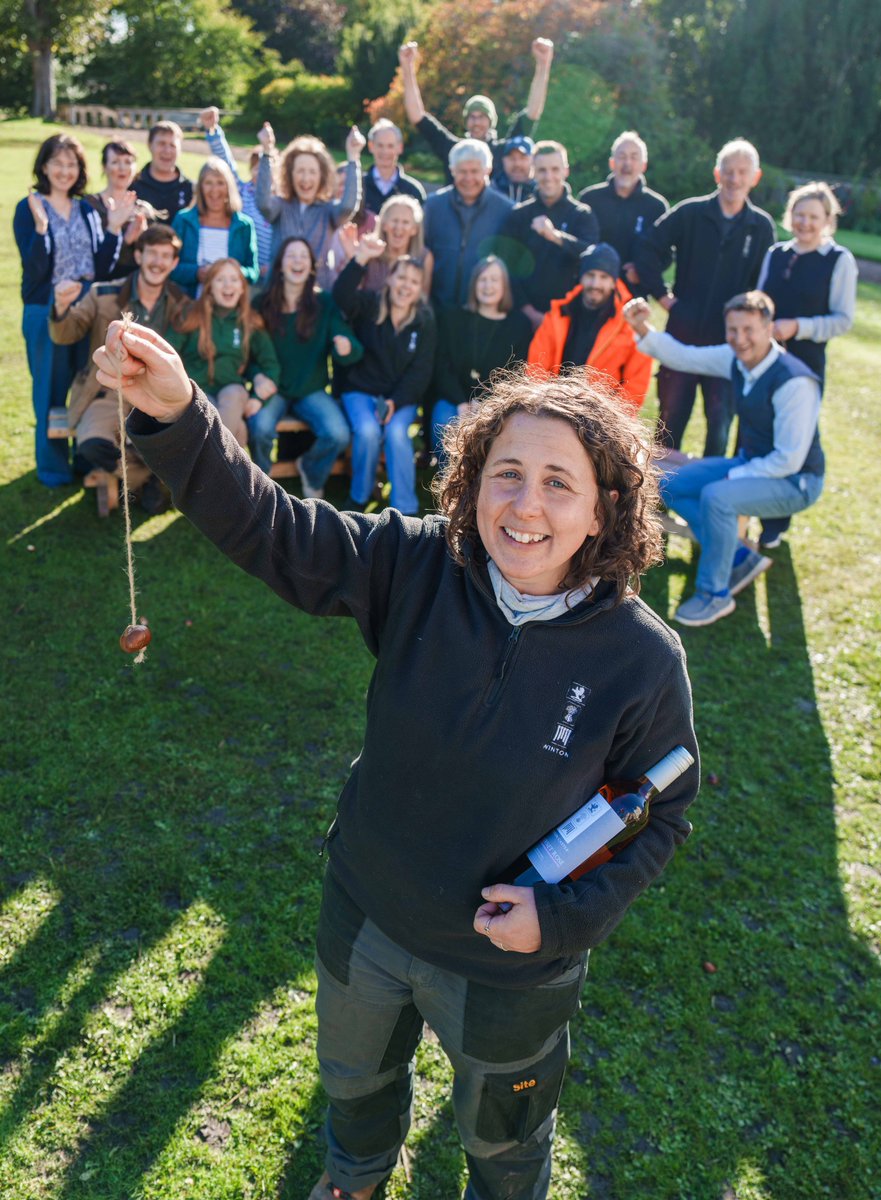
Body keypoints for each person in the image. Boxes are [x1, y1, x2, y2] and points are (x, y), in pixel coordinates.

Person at [95, 323, 699, 1200]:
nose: (525, 506)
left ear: (603, 509)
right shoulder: (420, 564)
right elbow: (274, 528)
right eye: (506, 473)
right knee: (354, 1084)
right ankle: (357, 1175)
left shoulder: (643, 659)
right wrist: (181, 413)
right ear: (471, 483)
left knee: (504, 1139)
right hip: (367, 915)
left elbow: (665, 813)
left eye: (557, 483)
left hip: (510, 970)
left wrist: (561, 921)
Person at [624, 290, 825, 626]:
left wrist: (730, 479)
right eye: (733, 330)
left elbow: (789, 460)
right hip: (753, 464)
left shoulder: (795, 381)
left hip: (796, 480)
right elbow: (685, 356)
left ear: (768, 328)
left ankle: (714, 594)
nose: (740, 338)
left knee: (717, 497)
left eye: (749, 330)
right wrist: (643, 329)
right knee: (670, 483)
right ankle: (738, 556)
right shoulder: (735, 357)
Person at [633, 138, 775, 457]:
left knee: (721, 422)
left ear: (755, 177)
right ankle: (660, 499)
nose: (734, 179)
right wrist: (664, 298)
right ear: (716, 173)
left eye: (742, 172)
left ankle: (709, 499)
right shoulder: (690, 213)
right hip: (683, 329)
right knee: (670, 418)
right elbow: (648, 249)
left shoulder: (761, 227)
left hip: (730, 341)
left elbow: (762, 286)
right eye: (728, 171)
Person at [48, 223, 186, 513]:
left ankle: (142, 480)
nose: (157, 262)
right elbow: (65, 334)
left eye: (165, 256)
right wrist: (61, 307)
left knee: (167, 442)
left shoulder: (183, 303)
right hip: (108, 390)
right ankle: (145, 480)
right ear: (138, 255)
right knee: (92, 445)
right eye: (151, 254)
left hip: (154, 395)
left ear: (174, 263)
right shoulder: (103, 294)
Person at [14, 132, 123, 486]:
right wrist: (43, 229)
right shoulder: (29, 207)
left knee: (86, 384)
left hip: (89, 309)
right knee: (49, 388)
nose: (64, 170)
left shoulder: (87, 208)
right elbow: (35, 269)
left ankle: (84, 458)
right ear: (44, 166)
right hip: (46, 308)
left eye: (71, 163)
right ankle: (53, 469)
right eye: (57, 162)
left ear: (80, 169)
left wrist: (116, 230)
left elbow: (102, 266)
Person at [754, 180, 858, 548]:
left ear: (827, 220)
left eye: (813, 216)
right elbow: (760, 301)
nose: (805, 222)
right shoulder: (777, 253)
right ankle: (745, 505)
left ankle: (775, 521)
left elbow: (842, 319)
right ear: (790, 216)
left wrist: (799, 326)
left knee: (792, 437)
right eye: (799, 214)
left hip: (805, 364)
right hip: (764, 359)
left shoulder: (838, 260)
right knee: (756, 430)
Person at [249, 237, 360, 491]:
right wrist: (256, 376)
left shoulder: (324, 303)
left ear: (311, 266)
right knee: (260, 428)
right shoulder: (261, 304)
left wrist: (346, 346)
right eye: (291, 255)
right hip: (274, 388)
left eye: (303, 256)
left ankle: (311, 469)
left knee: (338, 434)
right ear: (279, 266)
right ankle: (260, 486)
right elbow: (247, 356)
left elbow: (353, 349)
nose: (297, 261)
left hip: (311, 390)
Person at [332, 246, 435, 515]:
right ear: (389, 278)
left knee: (398, 434)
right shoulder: (369, 305)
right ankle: (359, 497)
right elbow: (341, 296)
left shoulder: (424, 321)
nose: (406, 286)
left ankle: (406, 510)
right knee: (367, 432)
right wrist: (360, 259)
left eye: (414, 281)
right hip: (360, 391)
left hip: (400, 397)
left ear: (420, 288)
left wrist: (396, 401)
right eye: (401, 278)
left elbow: (420, 371)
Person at [397, 37, 554, 186]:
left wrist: (543, 64)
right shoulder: (453, 149)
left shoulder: (503, 152)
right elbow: (417, 116)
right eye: (472, 117)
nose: (477, 122)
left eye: (482, 117)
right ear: (466, 122)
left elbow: (533, 112)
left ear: (491, 122)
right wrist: (407, 67)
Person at [170, 258, 280, 450]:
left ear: (242, 288)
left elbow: (271, 365)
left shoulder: (250, 322)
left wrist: (258, 398)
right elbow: (169, 354)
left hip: (232, 391)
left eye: (234, 279)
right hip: (197, 390)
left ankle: (211, 462)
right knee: (237, 429)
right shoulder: (191, 314)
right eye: (220, 279)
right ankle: (226, 470)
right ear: (209, 286)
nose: (228, 285)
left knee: (235, 393)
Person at [528, 243, 652, 409]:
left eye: (604, 277)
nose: (595, 284)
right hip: (553, 408)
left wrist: (611, 426)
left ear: (614, 281)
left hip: (600, 417)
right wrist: (539, 408)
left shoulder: (629, 322)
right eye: (590, 275)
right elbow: (537, 368)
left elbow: (634, 388)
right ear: (581, 277)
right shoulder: (558, 313)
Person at [431, 255, 533, 448]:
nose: (488, 286)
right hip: (453, 400)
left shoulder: (519, 326)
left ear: (504, 286)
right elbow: (442, 367)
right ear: (474, 284)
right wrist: (461, 403)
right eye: (483, 279)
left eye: (494, 280)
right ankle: (449, 478)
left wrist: (485, 403)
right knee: (445, 423)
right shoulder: (454, 319)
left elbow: (515, 375)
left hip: (495, 403)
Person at [500, 140, 600, 329]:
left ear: (566, 171)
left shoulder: (581, 215)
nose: (549, 176)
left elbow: (592, 256)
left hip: (569, 319)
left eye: (555, 169)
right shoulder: (518, 216)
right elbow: (507, 267)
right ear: (533, 172)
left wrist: (555, 236)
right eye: (542, 170)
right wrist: (529, 313)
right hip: (522, 319)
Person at [256, 125, 366, 288]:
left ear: (321, 177)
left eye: (312, 172)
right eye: (300, 171)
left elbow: (348, 206)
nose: (306, 178)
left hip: (317, 295)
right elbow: (264, 204)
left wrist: (353, 156)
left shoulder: (328, 211)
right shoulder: (281, 206)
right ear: (290, 174)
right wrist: (266, 152)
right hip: (277, 292)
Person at [422, 139, 512, 310]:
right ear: (452, 171)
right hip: (437, 308)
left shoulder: (506, 210)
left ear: (488, 170)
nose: (468, 178)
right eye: (462, 172)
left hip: (483, 311)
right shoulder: (433, 206)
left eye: (475, 171)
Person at [577, 130, 668, 297]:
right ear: (612, 163)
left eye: (634, 157)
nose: (627, 163)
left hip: (633, 295)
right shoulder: (589, 199)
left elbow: (665, 255)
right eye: (622, 156)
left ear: (644, 165)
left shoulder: (656, 206)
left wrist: (642, 270)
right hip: (592, 293)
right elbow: (577, 244)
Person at [199, 106, 274, 277]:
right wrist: (213, 131)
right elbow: (227, 162)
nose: (261, 173)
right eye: (256, 169)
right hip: (240, 271)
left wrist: (272, 266)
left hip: (272, 272)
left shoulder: (280, 201)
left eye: (266, 168)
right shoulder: (243, 192)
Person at [171, 157, 259, 297]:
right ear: (200, 187)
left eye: (220, 183)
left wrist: (234, 272)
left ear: (229, 187)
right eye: (208, 183)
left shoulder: (244, 225)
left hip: (229, 306)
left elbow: (253, 272)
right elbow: (170, 267)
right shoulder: (183, 220)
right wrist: (196, 273)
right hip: (188, 303)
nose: (214, 190)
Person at [334, 196, 433, 294]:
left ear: (414, 229)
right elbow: (350, 297)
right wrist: (353, 257)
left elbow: (422, 300)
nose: (398, 227)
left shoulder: (424, 257)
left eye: (405, 222)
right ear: (384, 225)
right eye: (394, 220)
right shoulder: (369, 251)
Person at [86, 139, 155, 278]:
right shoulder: (90, 205)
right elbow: (90, 259)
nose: (122, 168)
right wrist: (125, 241)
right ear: (104, 167)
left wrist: (144, 241)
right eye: (115, 162)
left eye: (128, 162)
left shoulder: (143, 209)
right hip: (101, 289)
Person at [362, 118, 426, 216]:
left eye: (390, 146)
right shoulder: (358, 187)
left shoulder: (413, 191)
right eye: (380, 145)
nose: (385, 151)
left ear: (400, 147)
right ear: (371, 146)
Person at [132, 120, 193, 223]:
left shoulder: (191, 190)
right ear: (150, 145)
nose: (167, 150)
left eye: (172, 145)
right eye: (161, 144)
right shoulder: (133, 186)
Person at [494, 134, 536, 204]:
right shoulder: (492, 190)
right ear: (503, 161)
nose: (517, 164)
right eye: (512, 158)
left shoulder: (543, 193)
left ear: (533, 160)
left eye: (523, 158)